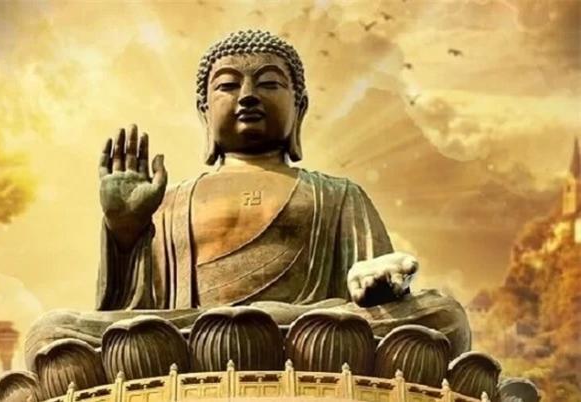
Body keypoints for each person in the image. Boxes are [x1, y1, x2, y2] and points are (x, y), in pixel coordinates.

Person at [25, 30, 470, 369]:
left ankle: (263, 331)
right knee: (51, 333)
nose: (248, 96)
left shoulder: (337, 194)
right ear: (204, 111)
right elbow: (136, 314)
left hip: (312, 333)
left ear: (299, 108)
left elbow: (377, 288)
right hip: (190, 338)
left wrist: (378, 282)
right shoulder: (171, 200)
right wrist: (125, 232)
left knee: (443, 315)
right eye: (227, 86)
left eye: (269, 83)